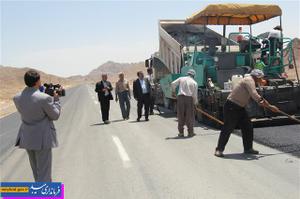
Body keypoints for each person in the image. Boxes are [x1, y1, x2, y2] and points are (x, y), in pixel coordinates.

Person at [215, 69, 279, 157]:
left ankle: (248, 148)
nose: (262, 80)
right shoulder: (249, 80)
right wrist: (270, 106)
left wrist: (265, 104)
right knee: (228, 128)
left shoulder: (252, 81)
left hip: (240, 107)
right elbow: (254, 94)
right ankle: (219, 150)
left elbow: (257, 98)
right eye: (260, 78)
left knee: (247, 126)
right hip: (231, 106)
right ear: (257, 77)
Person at [13, 69, 61, 182]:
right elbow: (55, 115)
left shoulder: (17, 98)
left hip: (27, 138)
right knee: (44, 173)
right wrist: (56, 100)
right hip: (42, 140)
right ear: (37, 81)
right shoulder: (44, 98)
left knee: (36, 172)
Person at [171, 69, 198, 137]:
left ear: (187, 74)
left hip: (180, 98)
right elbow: (194, 95)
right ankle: (190, 132)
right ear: (193, 75)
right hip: (189, 99)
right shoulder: (194, 82)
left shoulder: (181, 78)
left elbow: (172, 84)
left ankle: (181, 133)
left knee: (180, 115)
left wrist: (173, 92)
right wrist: (195, 103)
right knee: (190, 116)